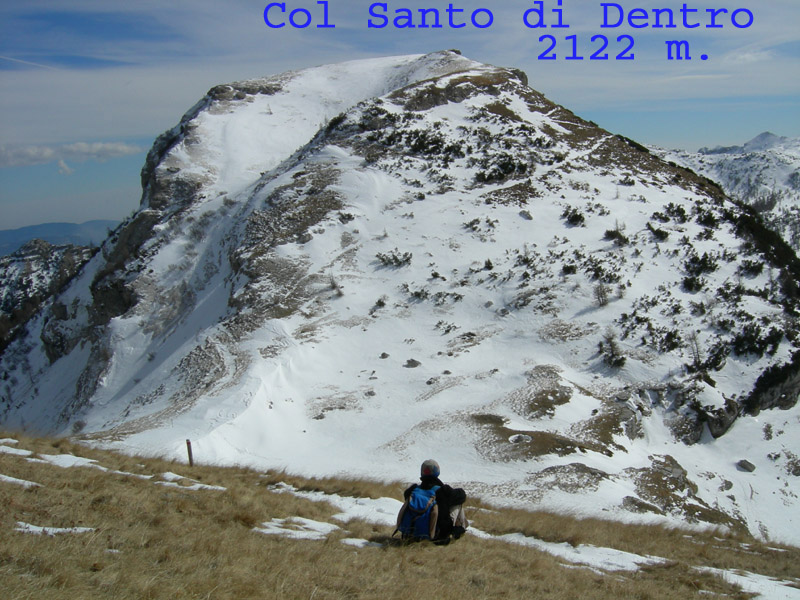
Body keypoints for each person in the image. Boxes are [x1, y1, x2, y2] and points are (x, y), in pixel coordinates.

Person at [395, 459, 468, 544]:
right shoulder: (443, 491)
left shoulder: (412, 490)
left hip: (409, 536)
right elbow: (462, 496)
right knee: (458, 504)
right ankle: (460, 530)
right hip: (438, 537)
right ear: (437, 471)